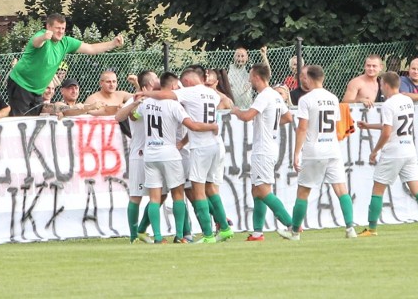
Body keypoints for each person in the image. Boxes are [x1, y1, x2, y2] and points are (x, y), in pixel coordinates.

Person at [140, 70, 234, 243]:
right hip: (215, 145)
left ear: (189, 80)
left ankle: (207, 235)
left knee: (196, 192)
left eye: (184, 82)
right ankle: (224, 227)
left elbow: (167, 95)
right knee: (211, 189)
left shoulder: (188, 93)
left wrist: (145, 93)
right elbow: (226, 102)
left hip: (199, 147)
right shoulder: (212, 93)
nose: (181, 87)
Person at [356, 72, 418, 236]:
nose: (381, 88)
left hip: (393, 152)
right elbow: (394, 125)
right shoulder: (407, 100)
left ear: (386, 86)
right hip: (409, 149)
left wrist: (375, 151)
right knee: (417, 189)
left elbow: (388, 132)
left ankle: (372, 229)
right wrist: (368, 126)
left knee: (378, 190)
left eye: (381, 85)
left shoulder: (388, 104)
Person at [280, 65, 357, 240]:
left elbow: (302, 128)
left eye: (304, 76)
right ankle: (350, 228)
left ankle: (294, 232)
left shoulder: (306, 100)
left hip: (314, 150)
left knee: (303, 192)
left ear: (309, 78)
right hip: (332, 148)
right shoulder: (333, 98)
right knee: (341, 189)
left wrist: (296, 153)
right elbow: (337, 125)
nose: (302, 79)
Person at [7, 13, 124, 116]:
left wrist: (113, 43)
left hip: (37, 90)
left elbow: (91, 48)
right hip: (21, 83)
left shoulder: (66, 42)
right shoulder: (42, 35)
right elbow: (36, 43)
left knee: (36, 117)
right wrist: (43, 37)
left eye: (63, 28)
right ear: (48, 27)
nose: (61, 31)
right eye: (57, 28)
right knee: (21, 119)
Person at [231, 63, 295, 241]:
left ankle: (292, 225)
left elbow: (246, 116)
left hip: (263, 150)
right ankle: (257, 232)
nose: (249, 79)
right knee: (256, 190)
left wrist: (236, 110)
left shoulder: (264, 96)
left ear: (257, 77)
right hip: (270, 147)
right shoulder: (275, 95)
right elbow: (288, 117)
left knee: (263, 190)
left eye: (251, 76)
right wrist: (269, 124)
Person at [114, 70, 160, 244]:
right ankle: (134, 236)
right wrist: (135, 104)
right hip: (140, 154)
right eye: (155, 78)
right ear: (148, 84)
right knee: (136, 195)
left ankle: (142, 229)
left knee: (160, 195)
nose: (158, 80)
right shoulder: (136, 100)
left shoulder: (159, 99)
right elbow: (119, 117)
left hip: (157, 154)